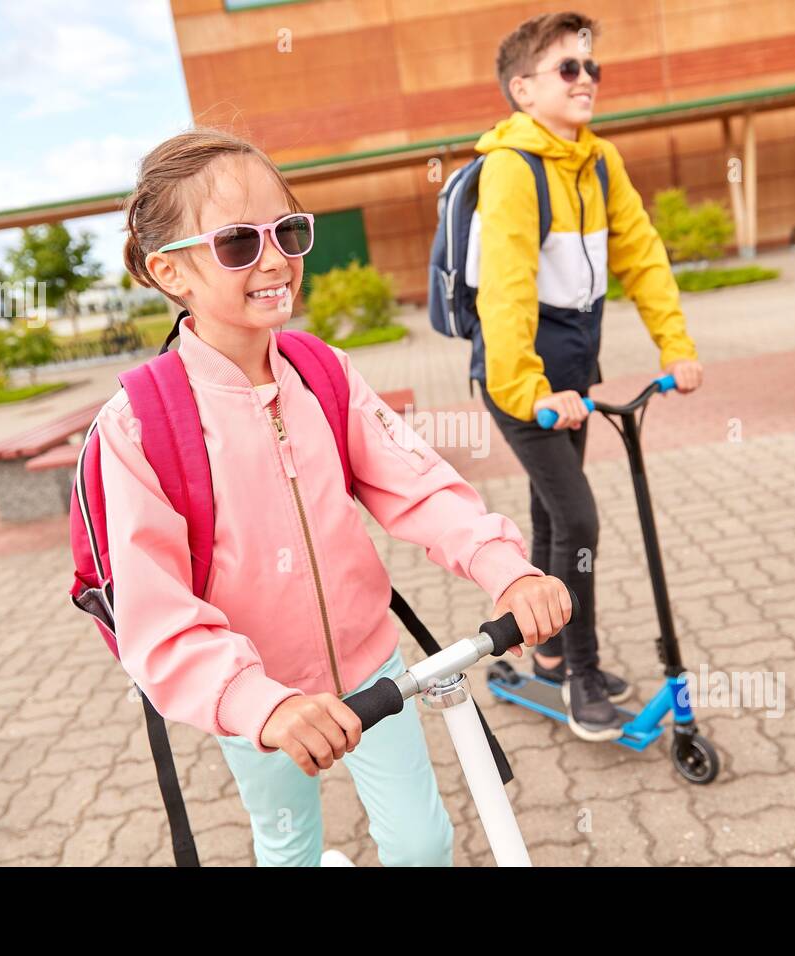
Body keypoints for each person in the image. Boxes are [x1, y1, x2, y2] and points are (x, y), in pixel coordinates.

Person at [98, 128, 571, 867]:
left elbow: (417, 483)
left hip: (369, 666)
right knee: (289, 846)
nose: (276, 259)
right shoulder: (139, 426)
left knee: (423, 843)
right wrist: (264, 705)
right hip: (255, 695)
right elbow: (155, 617)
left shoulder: (322, 372)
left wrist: (506, 568)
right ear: (170, 271)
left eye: (287, 230)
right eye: (236, 244)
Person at [473, 12, 704, 740]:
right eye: (567, 69)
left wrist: (675, 348)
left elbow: (642, 255)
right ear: (523, 88)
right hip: (521, 382)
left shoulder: (601, 162)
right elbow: (505, 291)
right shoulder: (512, 168)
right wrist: (529, 394)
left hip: (574, 374)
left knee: (549, 514)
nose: (586, 80)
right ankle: (580, 676)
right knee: (577, 520)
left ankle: (543, 651)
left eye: (591, 67)